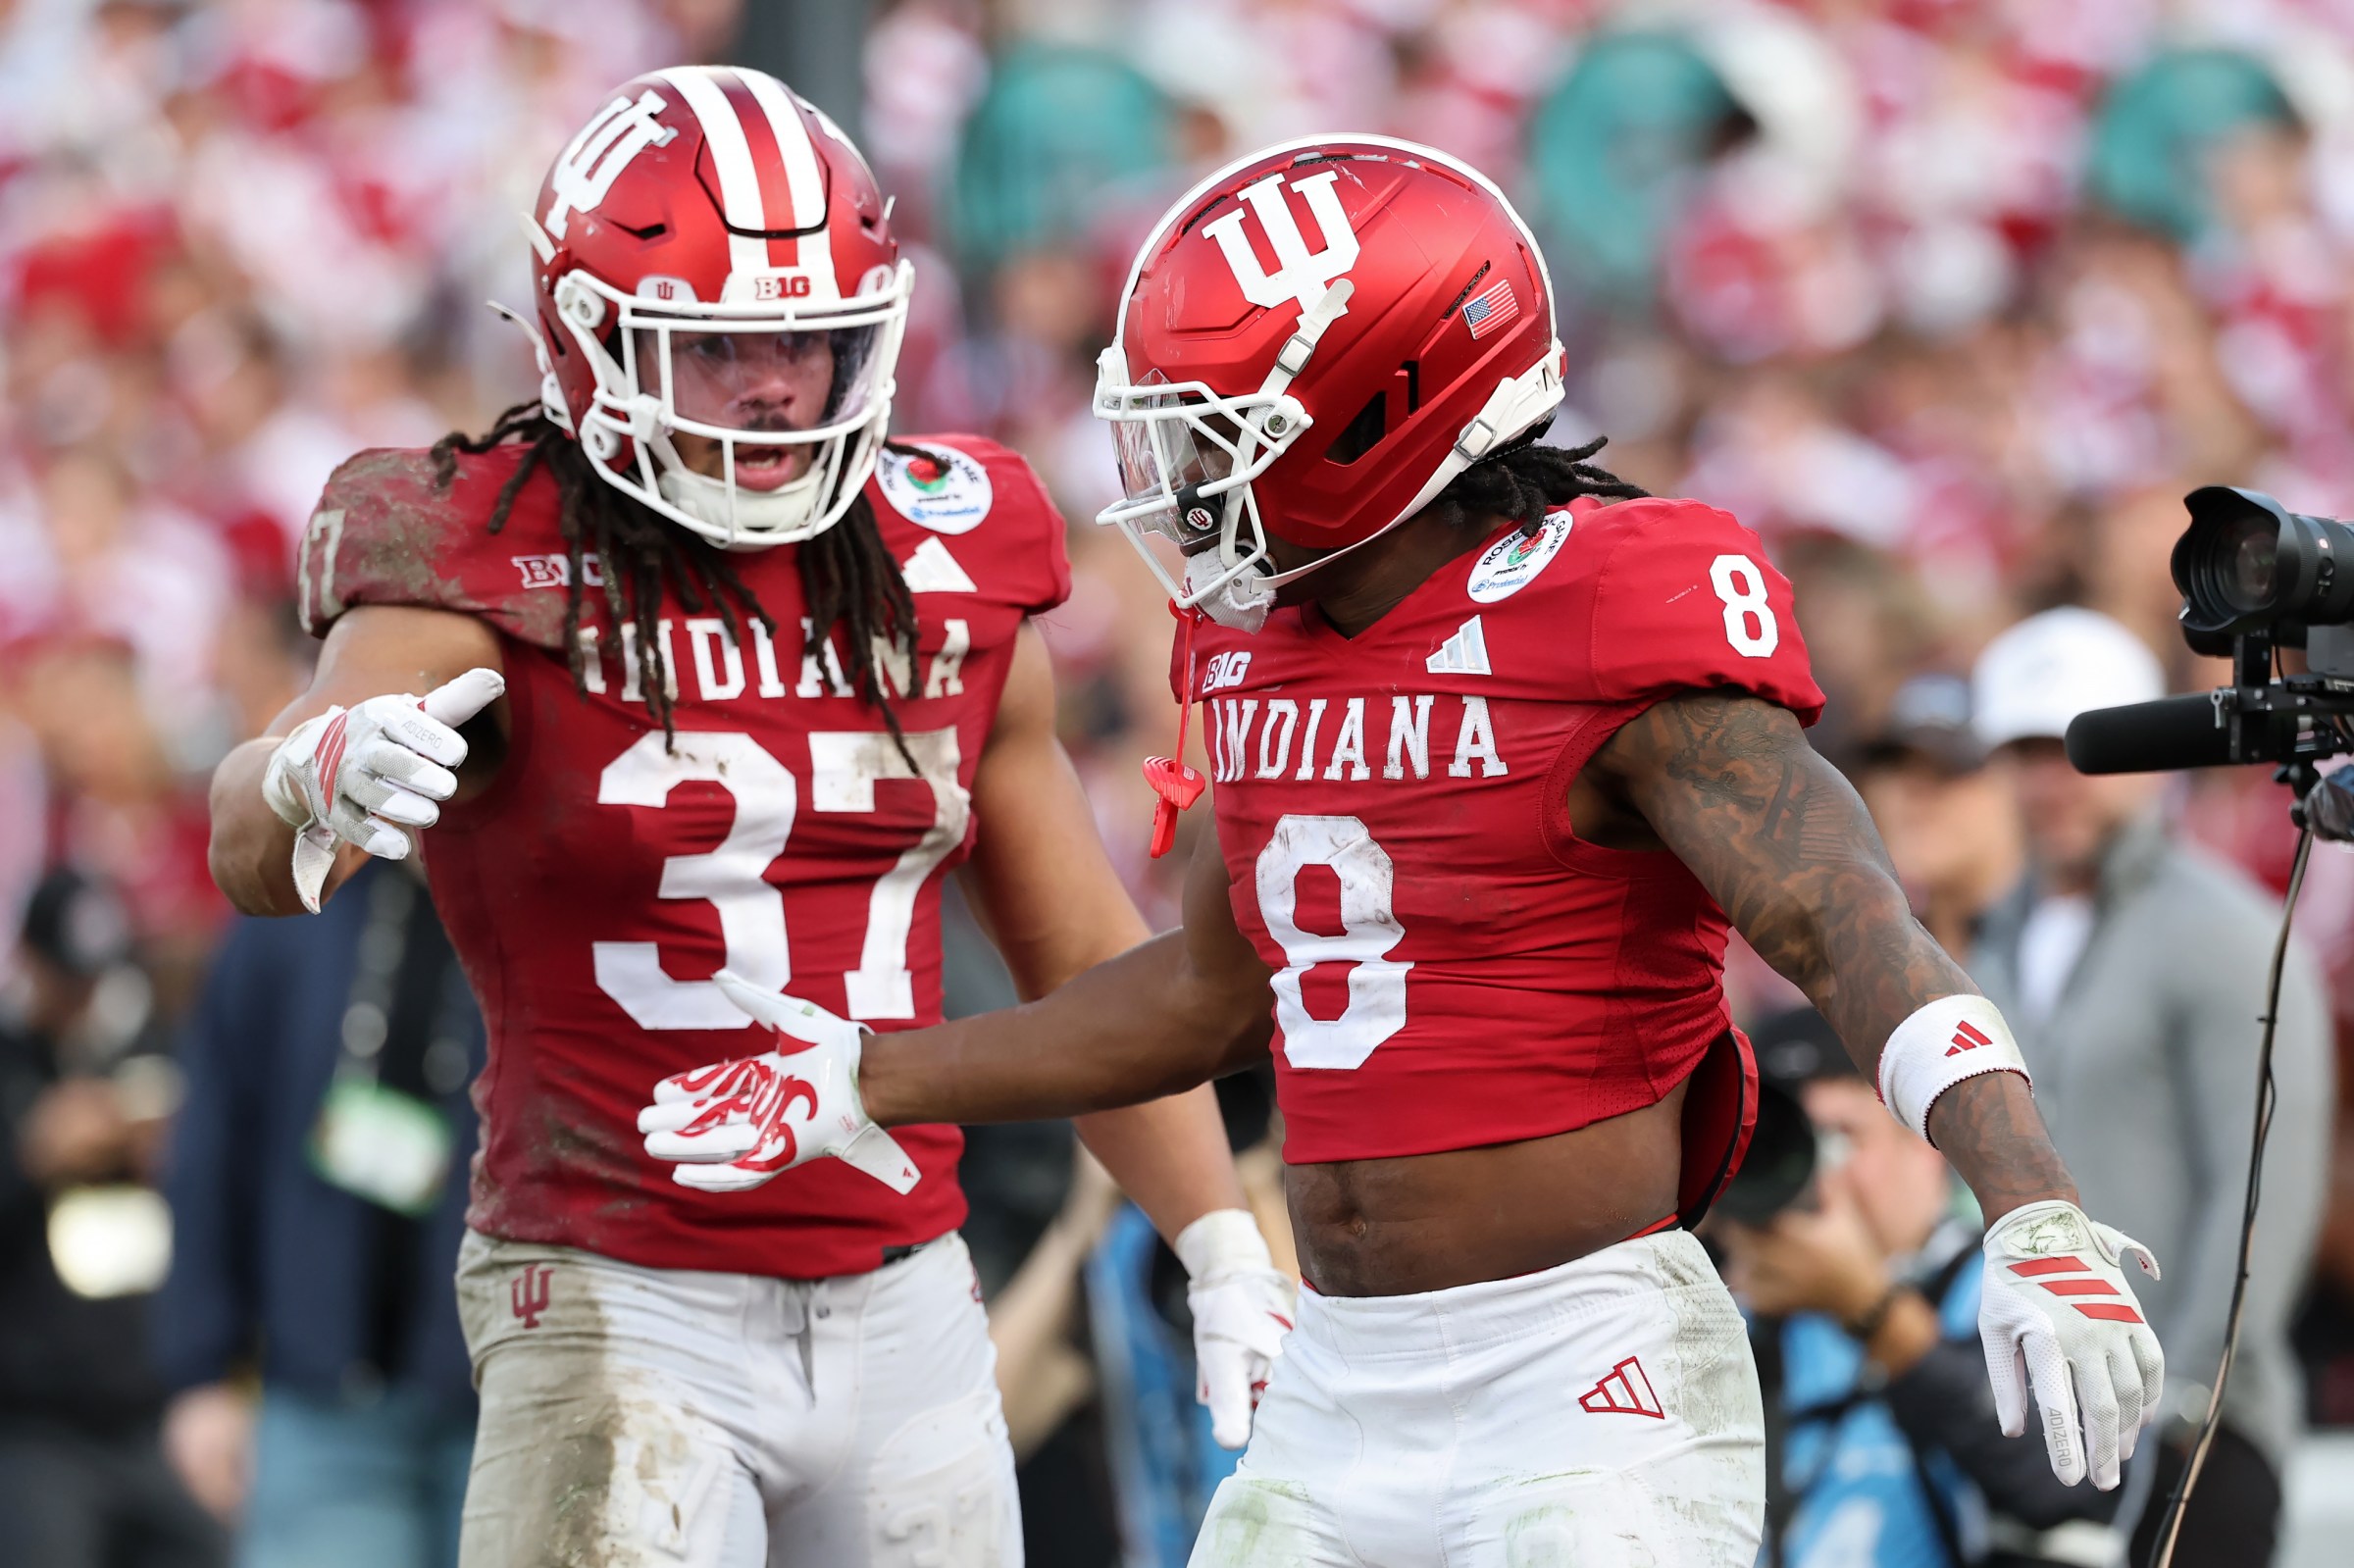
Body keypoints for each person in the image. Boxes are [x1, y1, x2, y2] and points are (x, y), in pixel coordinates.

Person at [636, 135, 2167, 1566]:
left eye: (1219, 431)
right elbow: (1208, 1000)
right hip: (1339, 1370)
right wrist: (859, 1071)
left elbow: (1839, 914)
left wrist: (2025, 1195)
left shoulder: (1609, 603)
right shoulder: (1257, 649)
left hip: (1588, 1370)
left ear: (1387, 407)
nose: (1179, 480)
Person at [202, 67, 1287, 1568]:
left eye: (810, 338)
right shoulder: (484, 541)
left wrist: (1217, 1235)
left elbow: (1082, 951)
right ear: (589, 339)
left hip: (910, 1285)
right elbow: (252, 829)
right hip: (611, 1290)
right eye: (717, 348)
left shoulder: (949, 550)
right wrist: (307, 777)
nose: (776, 383)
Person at [1968, 607, 2333, 1568]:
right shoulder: (1993, 933)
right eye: (2026, 751)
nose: (2055, 781)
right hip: (2039, 1432)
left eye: (2080, 747)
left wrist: (2184, 1403)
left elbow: (2264, 1193)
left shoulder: (2225, 932)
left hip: (2189, 1435)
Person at [155, 859, 485, 1568]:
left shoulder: (556, 907)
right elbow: (214, 1140)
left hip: (510, 1404)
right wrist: (201, 1369)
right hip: (321, 1400)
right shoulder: (294, 899)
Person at [1721, 1008, 2121, 1568]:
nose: (1816, 1177)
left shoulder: (2005, 1287)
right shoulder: (1744, 1321)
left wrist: (1870, 1310)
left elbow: (2073, 1481)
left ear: (1928, 1144)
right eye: (1792, 1144)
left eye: (1840, 1138)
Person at [0, 868, 225, 1568]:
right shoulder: (13, 1069)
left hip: (152, 1414)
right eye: (70, 977)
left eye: (97, 976)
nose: (87, 996)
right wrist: (30, 1157)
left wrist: (167, 1153)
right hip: (37, 1428)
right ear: (31, 964)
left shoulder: (152, 1055)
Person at [1851, 673, 2021, 959]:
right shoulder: (1870, 949)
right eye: (1897, 768)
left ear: (2010, 781)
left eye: (1945, 771)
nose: (1912, 792)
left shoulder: (2060, 935)